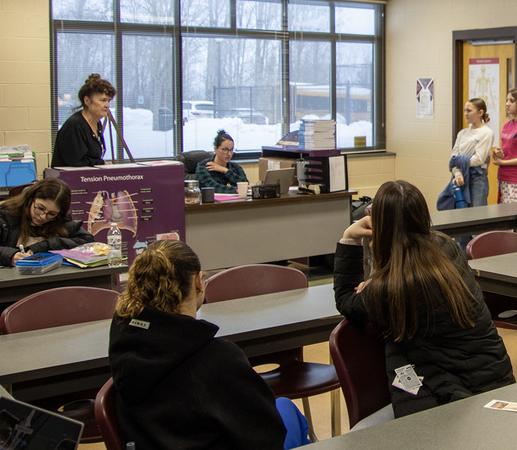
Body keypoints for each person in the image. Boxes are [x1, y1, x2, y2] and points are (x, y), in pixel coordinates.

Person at [333, 180, 515, 424]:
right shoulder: (446, 247)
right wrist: (379, 280)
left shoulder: (392, 287)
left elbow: (345, 299)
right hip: (494, 379)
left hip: (452, 399)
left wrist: (349, 238)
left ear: (381, 228)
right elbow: (411, 262)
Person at [107, 240, 299, 449]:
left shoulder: (124, 343)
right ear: (199, 282)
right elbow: (268, 437)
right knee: (289, 412)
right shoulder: (218, 359)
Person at [0, 178, 94, 266]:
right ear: (31, 199)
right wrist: (9, 256)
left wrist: (45, 245)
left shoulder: (61, 220)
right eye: (40, 208)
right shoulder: (6, 216)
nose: (43, 216)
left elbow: (88, 242)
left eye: (51, 214)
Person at [52, 74, 115, 167]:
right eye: (103, 100)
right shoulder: (75, 125)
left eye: (108, 101)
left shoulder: (97, 124)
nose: (107, 105)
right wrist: (101, 163)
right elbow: (76, 162)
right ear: (87, 101)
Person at [447, 98, 494, 208]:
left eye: (469, 111)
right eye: (465, 110)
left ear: (480, 113)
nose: (465, 114)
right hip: (459, 178)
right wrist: (457, 173)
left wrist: (456, 161)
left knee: (477, 216)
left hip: (477, 179)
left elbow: (478, 160)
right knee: (460, 213)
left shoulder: (486, 133)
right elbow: (453, 158)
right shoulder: (462, 133)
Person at [196, 130, 249, 194]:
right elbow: (212, 187)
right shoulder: (203, 166)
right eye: (225, 150)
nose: (229, 154)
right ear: (216, 149)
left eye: (231, 150)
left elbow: (245, 185)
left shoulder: (235, 167)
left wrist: (226, 171)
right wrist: (235, 190)